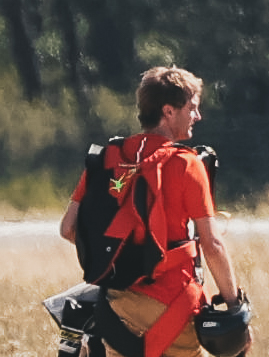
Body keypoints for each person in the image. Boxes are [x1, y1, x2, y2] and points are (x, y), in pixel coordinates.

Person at [59, 64, 247, 357]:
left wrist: (121, 263)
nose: (197, 116)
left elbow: (68, 228)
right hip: (175, 303)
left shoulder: (106, 158)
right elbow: (212, 244)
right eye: (192, 108)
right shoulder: (186, 163)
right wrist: (234, 306)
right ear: (168, 111)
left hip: (118, 309)